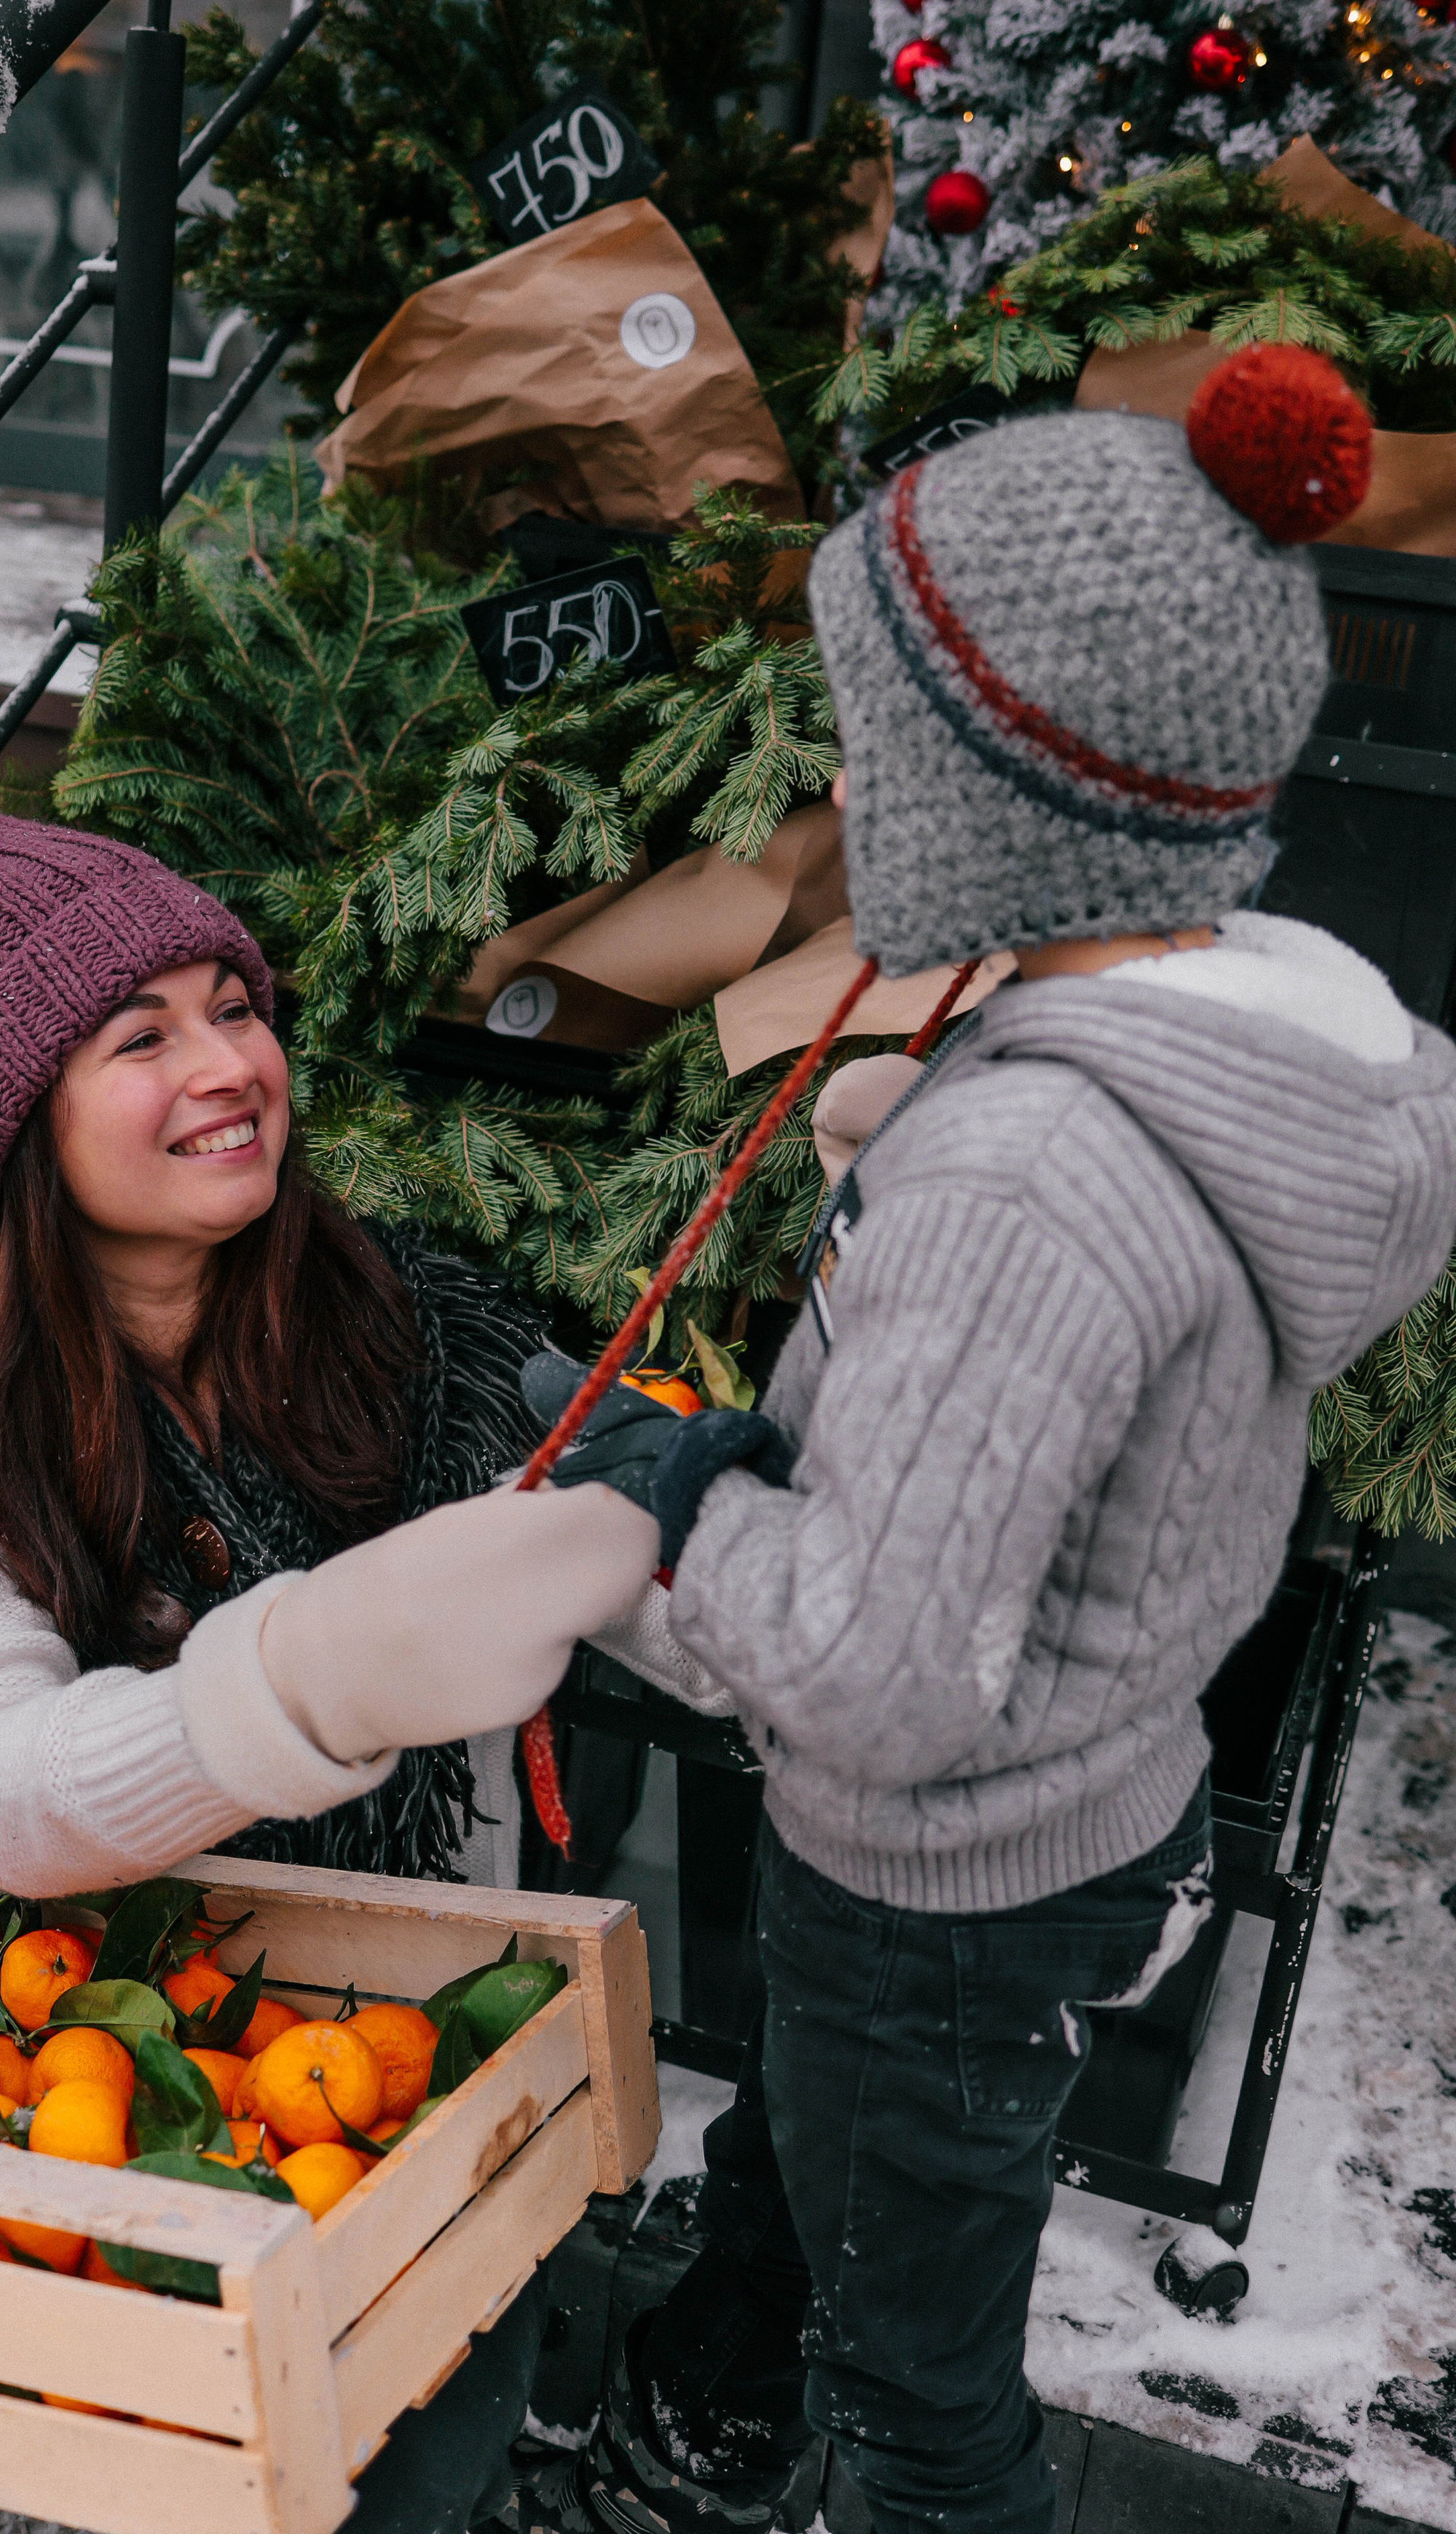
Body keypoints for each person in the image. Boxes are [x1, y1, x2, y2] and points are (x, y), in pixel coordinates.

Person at [509, 345, 1456, 2534]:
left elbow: (869, 1674)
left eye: (878, 731)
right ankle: (710, 2384)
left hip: (937, 1878)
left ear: (1013, 783)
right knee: (842, 2174)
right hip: (1101, 1805)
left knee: (923, 2383)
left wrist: (685, 1503)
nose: (844, 770)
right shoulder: (1240, 1055)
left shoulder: (1026, 1186)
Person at [0, 798, 658, 2534]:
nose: (226, 1062)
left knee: (384, 2467)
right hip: (46, 2017)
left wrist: (704, 1497)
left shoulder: (428, 1330)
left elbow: (667, 1555)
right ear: (22, 1123)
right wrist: (309, 1677)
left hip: (385, 2059)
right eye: (140, 1033)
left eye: (233, 1005)